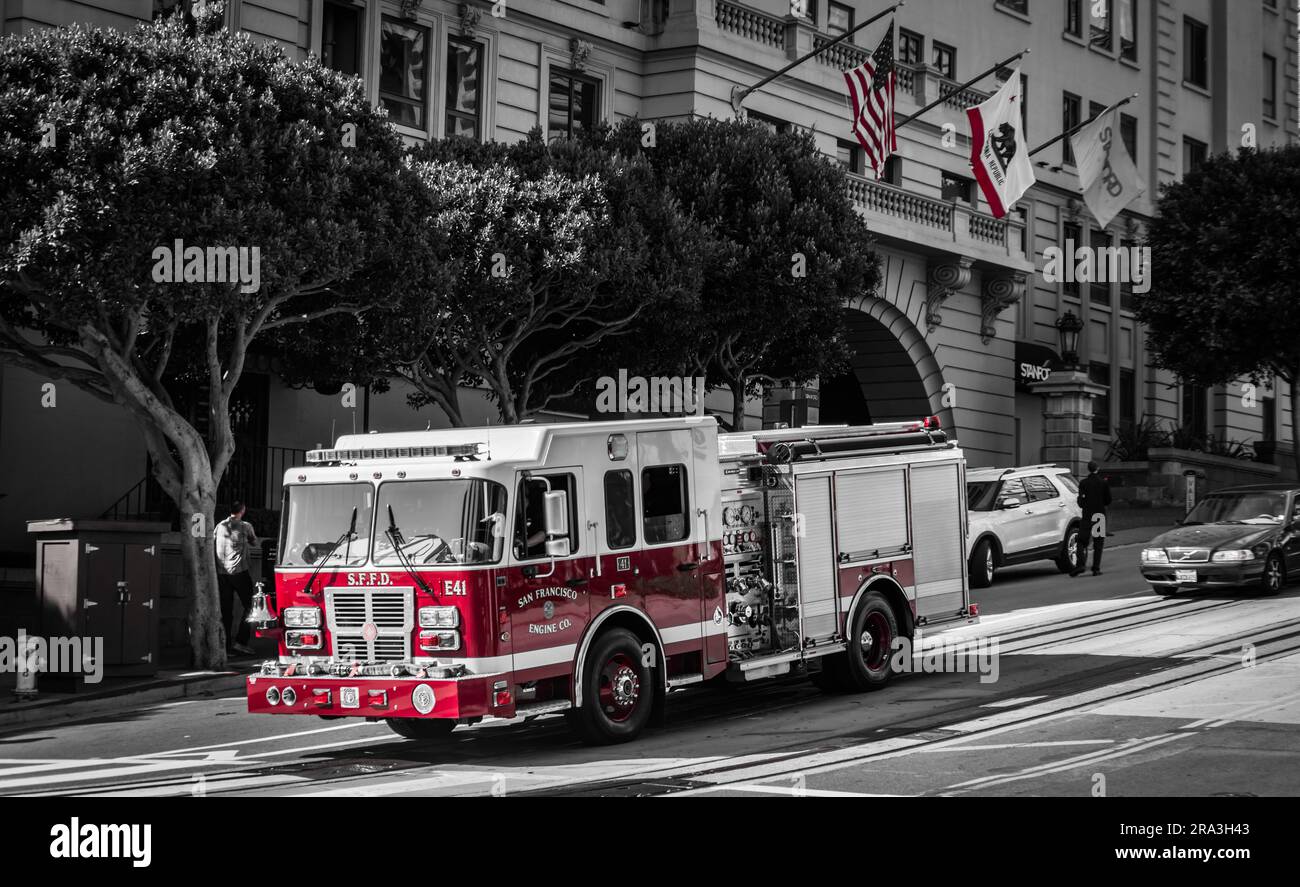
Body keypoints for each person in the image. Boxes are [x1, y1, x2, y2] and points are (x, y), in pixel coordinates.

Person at [215, 501, 258, 655]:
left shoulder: (220, 526)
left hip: (222, 573)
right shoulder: (246, 526)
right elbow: (254, 542)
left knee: (226, 610)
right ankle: (241, 642)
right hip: (239, 572)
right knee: (250, 606)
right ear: (243, 510)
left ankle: (225, 647)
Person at [1072, 462, 1112, 577]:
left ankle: (1080, 565)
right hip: (1099, 515)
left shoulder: (1083, 483)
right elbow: (1108, 500)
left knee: (1081, 541)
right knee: (1098, 543)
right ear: (1097, 469)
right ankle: (1096, 568)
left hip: (1087, 515)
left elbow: (1080, 501)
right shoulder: (1103, 483)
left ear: (1088, 470)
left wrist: (1084, 504)